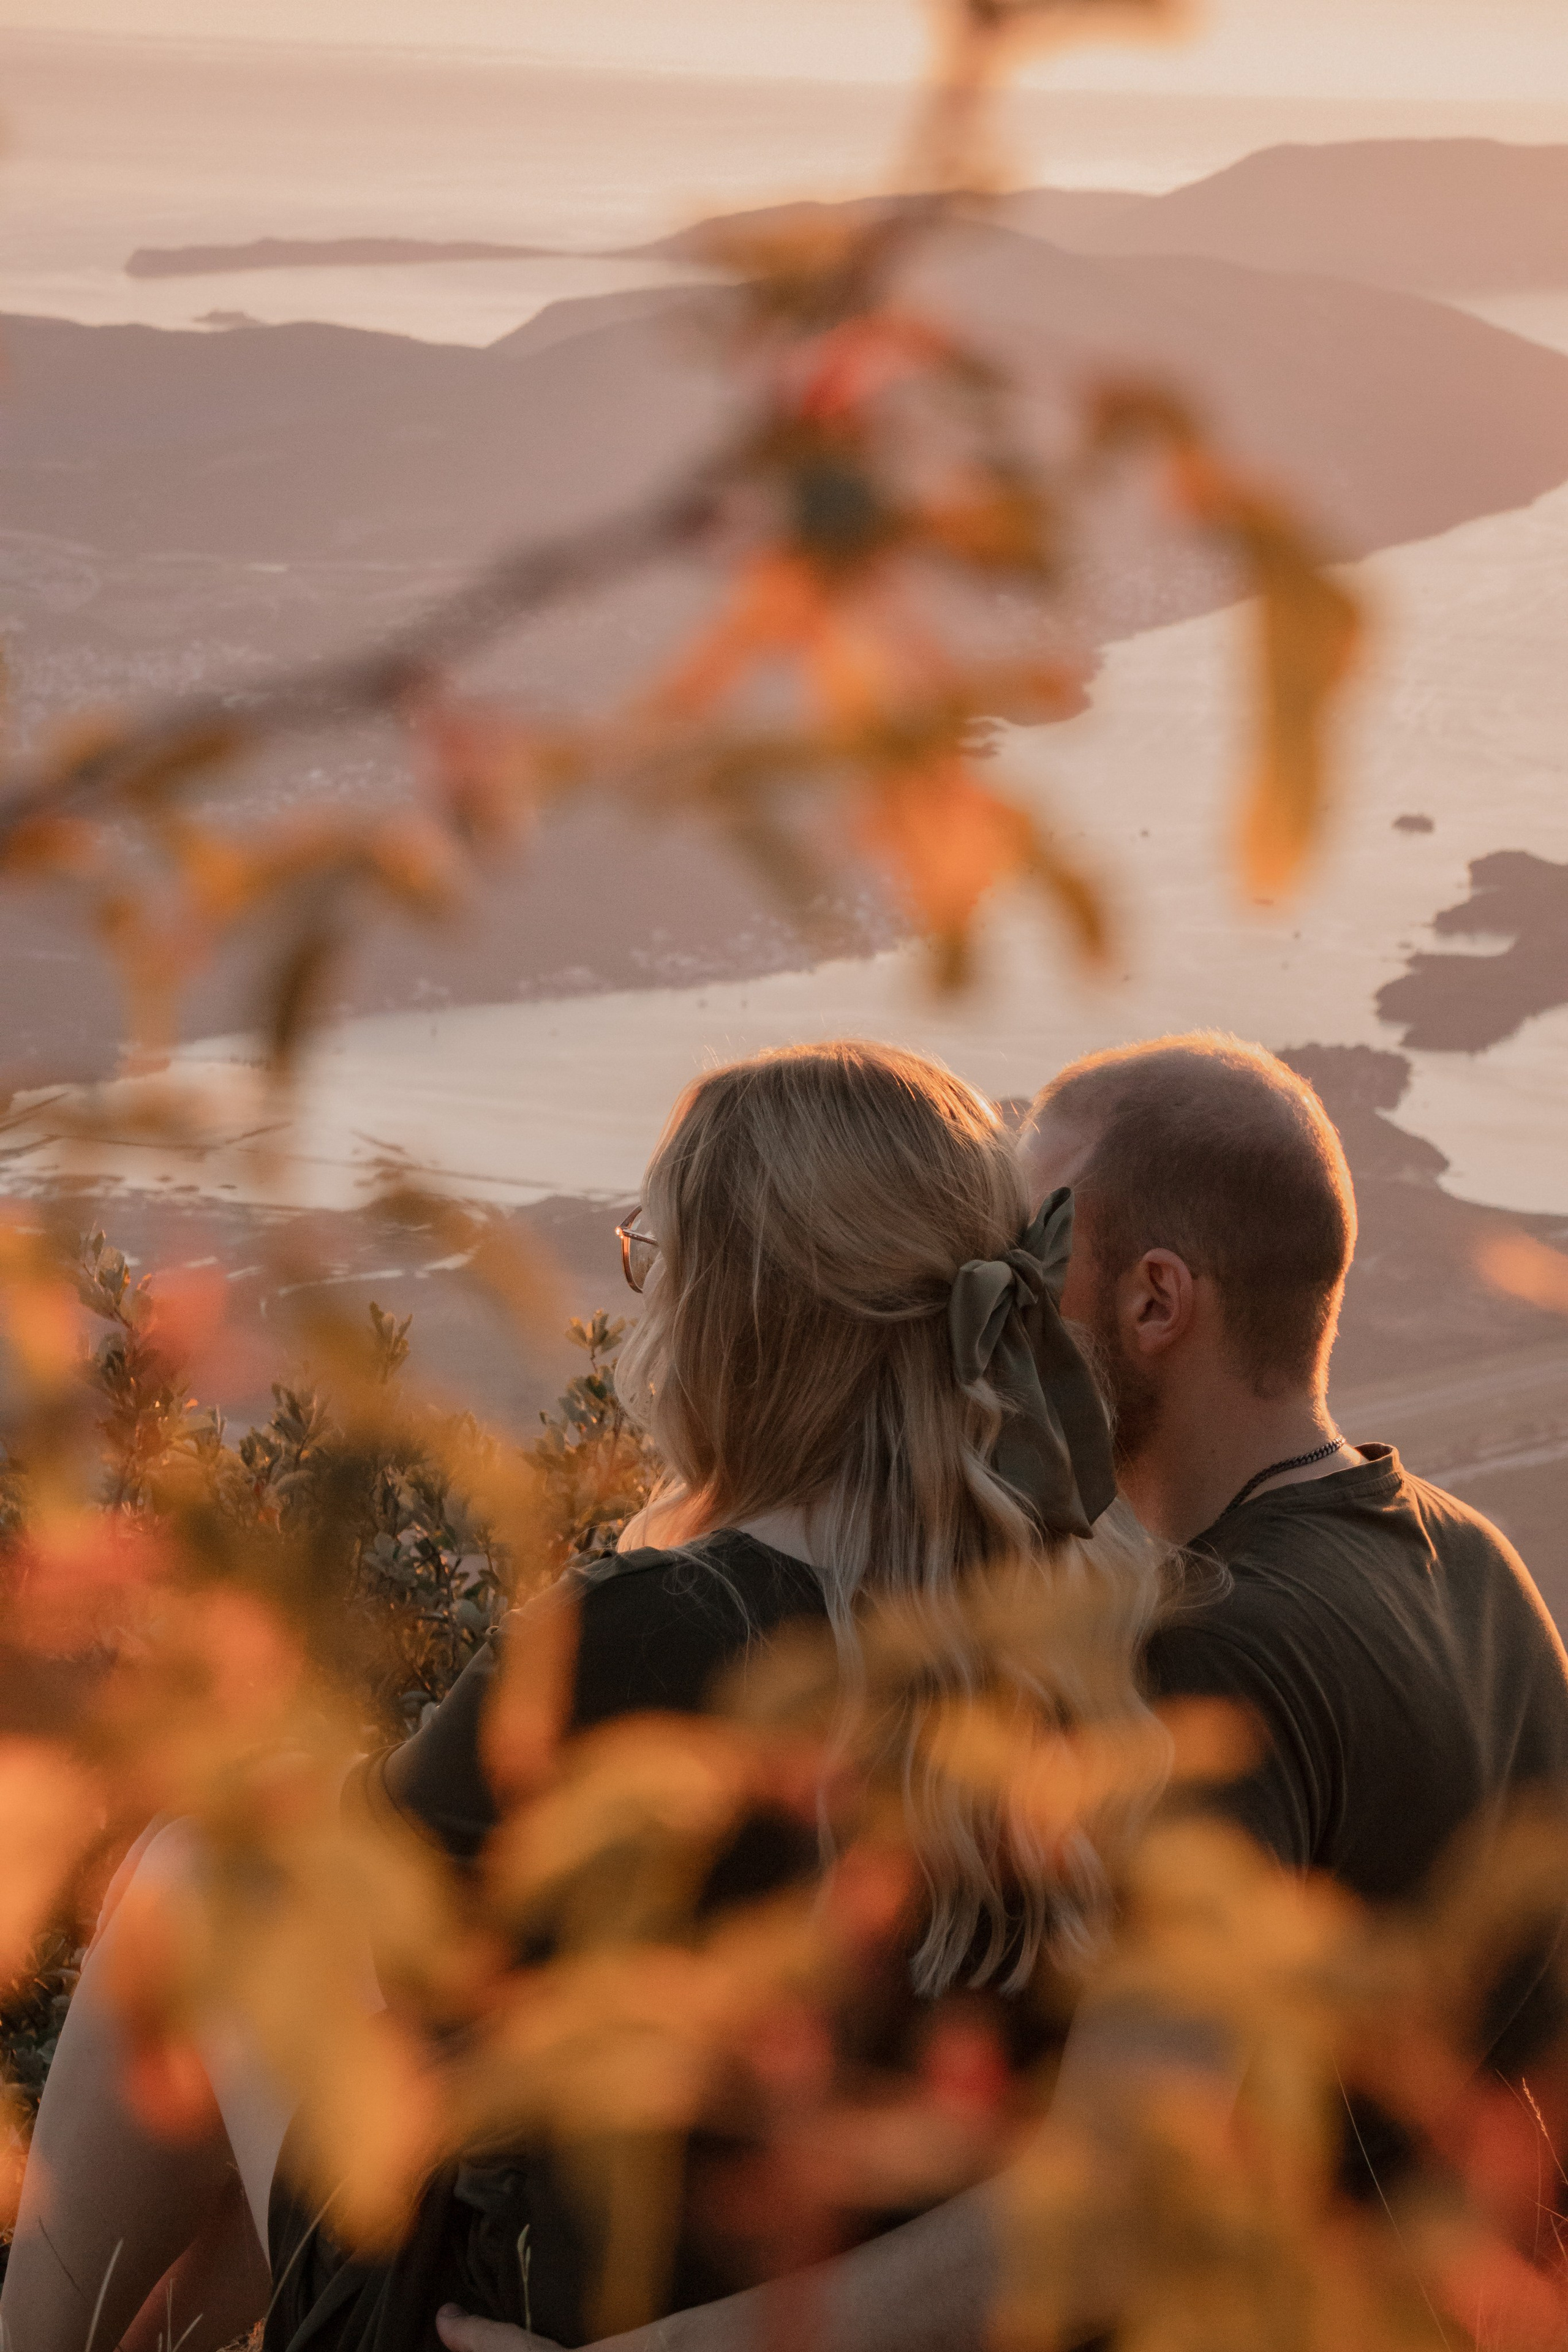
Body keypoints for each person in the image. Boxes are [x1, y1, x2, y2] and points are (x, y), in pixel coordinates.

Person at [1, 1041, 1164, 2352]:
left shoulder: (649, 1629)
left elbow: (371, 1925)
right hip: (864, 2312)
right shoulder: (1085, 1640)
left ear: (733, 1315)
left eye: (650, 1260)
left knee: (202, 1877)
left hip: (520, 2322)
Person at [432, 1031, 1568, 2352]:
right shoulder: (1474, 1563)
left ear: (1154, 1303)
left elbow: (1112, 2194)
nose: (977, 1312)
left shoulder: (1199, 1659)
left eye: (1025, 1259)